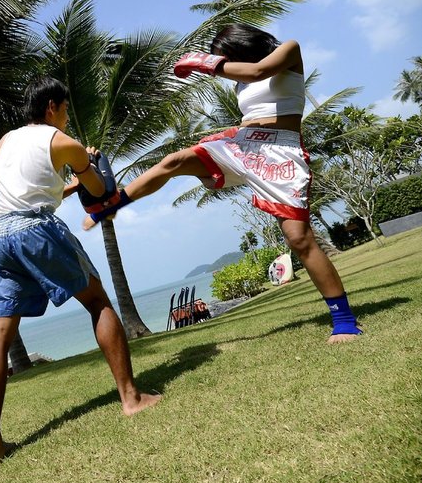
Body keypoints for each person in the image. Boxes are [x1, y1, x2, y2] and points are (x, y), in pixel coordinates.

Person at [83, 24, 362, 345]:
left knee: (299, 238)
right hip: (243, 143)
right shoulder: (239, 81)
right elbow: (247, 83)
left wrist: (204, 63)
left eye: (225, 56)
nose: (224, 63)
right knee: (174, 160)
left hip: (279, 151)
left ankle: (344, 321)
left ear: (239, 47)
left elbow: (259, 71)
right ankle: (113, 203)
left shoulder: (289, 50)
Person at [0, 76, 162, 470]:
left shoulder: (5, 142)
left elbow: (32, 191)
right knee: (98, 302)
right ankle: (131, 398)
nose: (65, 117)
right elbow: (100, 190)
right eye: (63, 109)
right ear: (52, 107)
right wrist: (89, 163)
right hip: (34, 230)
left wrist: (71, 183)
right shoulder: (63, 142)